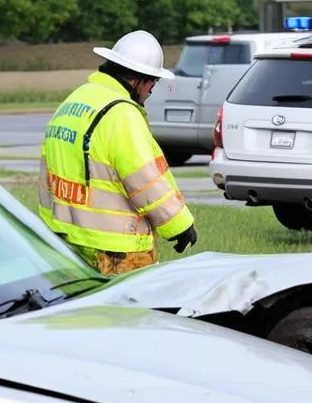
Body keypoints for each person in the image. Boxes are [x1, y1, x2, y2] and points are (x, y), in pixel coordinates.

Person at [38, 30, 197, 275]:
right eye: (152, 83)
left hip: (67, 240)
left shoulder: (74, 101)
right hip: (116, 248)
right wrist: (179, 225)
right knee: (129, 313)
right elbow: (144, 181)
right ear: (137, 81)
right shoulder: (121, 115)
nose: (150, 92)